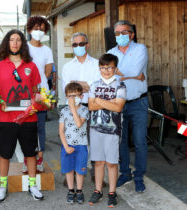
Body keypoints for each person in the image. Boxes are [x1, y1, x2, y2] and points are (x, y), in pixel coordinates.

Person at [0, 29, 44, 202]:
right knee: (5, 154)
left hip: (29, 118)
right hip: (6, 118)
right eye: (11, 40)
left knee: (30, 153)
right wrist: (0, 100)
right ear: (7, 43)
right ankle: (3, 186)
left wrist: (37, 103)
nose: (15, 43)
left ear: (23, 43)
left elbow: (38, 92)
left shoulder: (31, 66)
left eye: (18, 40)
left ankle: (32, 185)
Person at [107, 20, 149, 193]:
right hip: (118, 103)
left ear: (131, 34)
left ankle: (139, 177)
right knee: (120, 141)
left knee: (140, 142)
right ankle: (125, 173)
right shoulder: (110, 52)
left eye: (124, 32)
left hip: (138, 102)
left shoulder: (140, 49)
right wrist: (131, 75)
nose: (121, 36)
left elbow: (136, 70)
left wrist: (120, 73)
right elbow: (107, 74)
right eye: (117, 33)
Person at [61, 32, 100, 184]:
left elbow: (96, 87)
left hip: (93, 105)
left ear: (87, 45)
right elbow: (68, 89)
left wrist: (77, 84)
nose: (78, 47)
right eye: (75, 44)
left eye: (81, 44)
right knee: (72, 140)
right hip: (73, 107)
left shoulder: (97, 64)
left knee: (93, 141)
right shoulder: (67, 66)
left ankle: (94, 173)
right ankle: (70, 173)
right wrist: (85, 85)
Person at [88, 54, 126, 208]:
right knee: (98, 162)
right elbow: (91, 106)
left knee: (111, 163)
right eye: (103, 67)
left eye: (109, 67)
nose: (106, 70)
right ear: (99, 69)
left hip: (113, 130)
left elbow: (118, 107)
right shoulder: (94, 85)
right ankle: (98, 190)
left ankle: (112, 192)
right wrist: (109, 102)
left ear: (115, 69)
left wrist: (98, 100)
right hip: (96, 129)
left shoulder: (120, 86)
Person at [25, 16, 54, 172]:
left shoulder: (47, 50)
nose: (38, 32)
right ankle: (27, 158)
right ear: (29, 30)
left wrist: (40, 88)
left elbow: (47, 73)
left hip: (41, 94)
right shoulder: (24, 48)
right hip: (25, 94)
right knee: (26, 128)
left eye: (42, 29)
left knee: (40, 127)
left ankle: (40, 158)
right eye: (36, 28)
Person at [59, 82, 89, 204]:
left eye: (75, 96)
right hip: (67, 145)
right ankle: (71, 190)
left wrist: (73, 108)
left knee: (80, 170)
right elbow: (61, 131)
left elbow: (78, 124)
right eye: (70, 96)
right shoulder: (63, 111)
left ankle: (79, 191)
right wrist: (66, 146)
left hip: (81, 146)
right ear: (66, 97)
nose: (72, 99)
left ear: (81, 96)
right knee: (69, 170)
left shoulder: (85, 110)